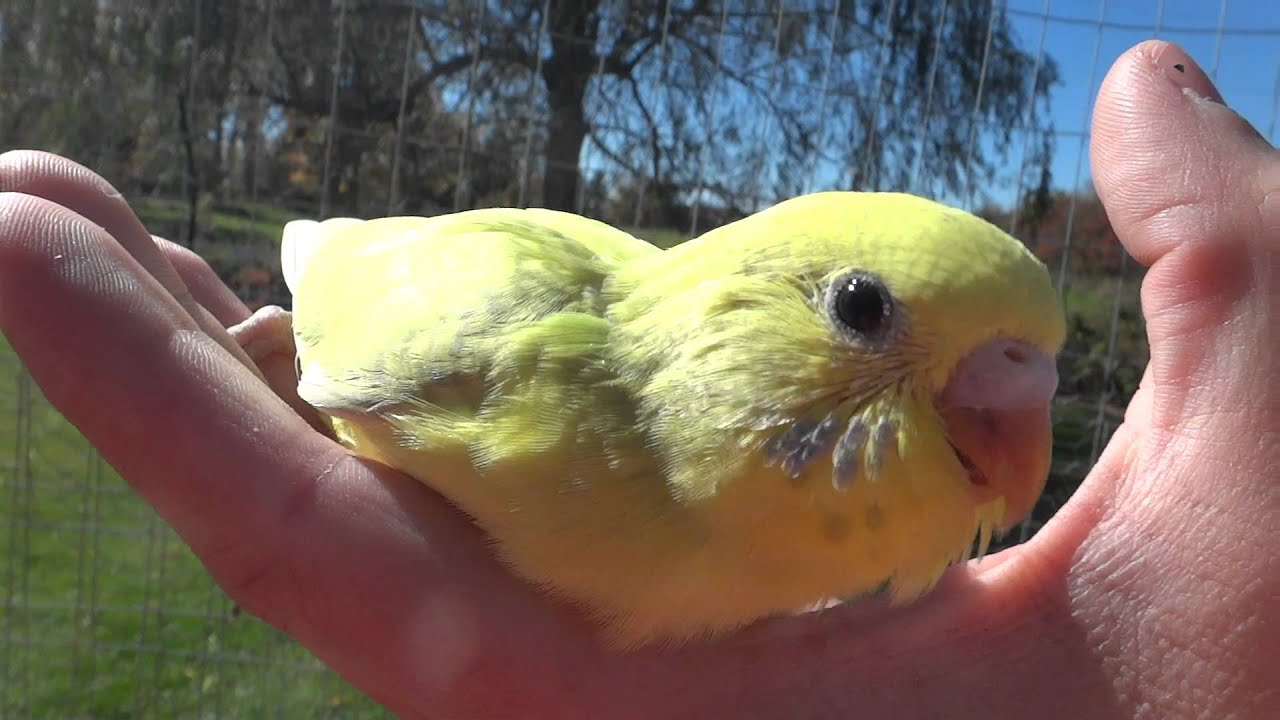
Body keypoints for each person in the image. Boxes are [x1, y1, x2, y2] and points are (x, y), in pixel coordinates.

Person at [0, 41, 1274, 718]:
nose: (1005, 419)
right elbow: (331, 295)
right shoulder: (511, 340)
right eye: (859, 313)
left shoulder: (808, 580)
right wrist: (285, 353)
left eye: (1023, 373)